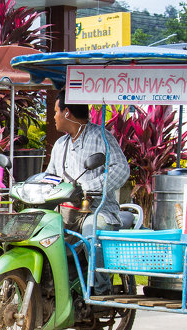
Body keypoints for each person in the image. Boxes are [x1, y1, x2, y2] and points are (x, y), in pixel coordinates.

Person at [45, 91, 130, 235]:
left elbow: (121, 169)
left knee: (90, 229)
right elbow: (49, 177)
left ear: (66, 112)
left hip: (98, 211)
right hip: (65, 211)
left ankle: (92, 258)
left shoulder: (101, 137)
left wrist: (88, 188)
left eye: (55, 112)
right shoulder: (60, 144)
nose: (54, 117)